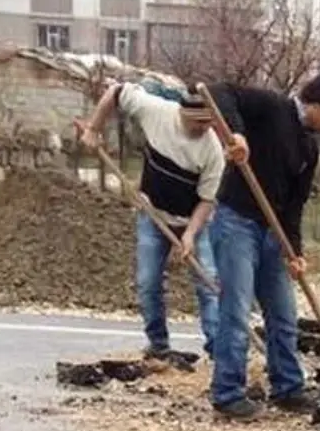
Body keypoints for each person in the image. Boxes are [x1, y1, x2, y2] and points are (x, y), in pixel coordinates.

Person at [206, 71, 320, 421]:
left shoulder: (309, 149)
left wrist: (295, 252)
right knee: (237, 310)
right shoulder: (272, 107)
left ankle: (287, 387)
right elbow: (217, 90)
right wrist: (236, 134)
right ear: (317, 104)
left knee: (283, 314)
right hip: (236, 220)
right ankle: (227, 394)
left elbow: (295, 205)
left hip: (273, 233)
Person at [78, 84, 225, 363]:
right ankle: (158, 345)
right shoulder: (155, 111)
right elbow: (116, 91)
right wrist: (94, 129)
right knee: (148, 282)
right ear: (182, 113)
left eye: (208, 123)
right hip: (153, 213)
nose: (203, 129)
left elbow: (207, 201)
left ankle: (219, 349)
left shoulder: (212, 150)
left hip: (195, 219)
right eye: (197, 123)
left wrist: (190, 235)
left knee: (209, 283)